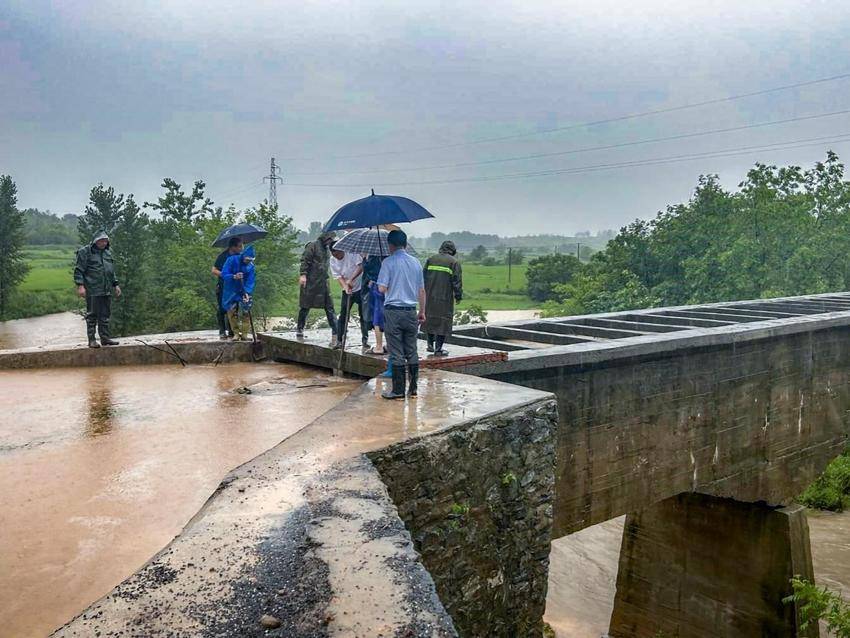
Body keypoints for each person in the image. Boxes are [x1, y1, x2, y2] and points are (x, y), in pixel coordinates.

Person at [376, 229, 426, 399]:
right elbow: (421, 290)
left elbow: (381, 288)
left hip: (393, 312)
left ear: (390, 245)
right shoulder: (416, 263)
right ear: (405, 244)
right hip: (411, 311)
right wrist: (422, 311)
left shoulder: (388, 263)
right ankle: (413, 389)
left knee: (396, 351)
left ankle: (398, 390)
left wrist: (383, 283)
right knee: (412, 350)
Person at [74, 230, 121, 348]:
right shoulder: (85, 252)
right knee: (92, 315)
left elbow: (111, 271)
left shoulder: (107, 253)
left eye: (106, 241)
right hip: (92, 288)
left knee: (105, 314)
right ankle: (91, 340)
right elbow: (79, 270)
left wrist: (116, 284)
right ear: (95, 241)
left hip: (106, 288)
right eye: (101, 241)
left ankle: (105, 338)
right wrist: (80, 286)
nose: (104, 243)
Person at [423, 240, 463, 356]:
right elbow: (457, 282)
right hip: (444, 298)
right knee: (443, 321)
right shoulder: (454, 262)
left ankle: (430, 345)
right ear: (452, 250)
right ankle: (438, 349)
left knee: (429, 318)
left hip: (429, 296)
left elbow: (423, 277)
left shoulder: (431, 259)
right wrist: (458, 296)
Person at [297, 231, 337, 341]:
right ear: (325, 238)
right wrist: (303, 275)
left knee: (329, 306)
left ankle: (336, 329)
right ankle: (300, 328)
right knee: (305, 306)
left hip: (323, 281)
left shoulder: (327, 249)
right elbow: (305, 260)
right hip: (310, 281)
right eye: (329, 239)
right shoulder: (312, 246)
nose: (330, 241)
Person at [330, 246, 369, 349]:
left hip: (360, 287)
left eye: (338, 254)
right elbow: (338, 276)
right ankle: (339, 340)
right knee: (343, 315)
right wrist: (345, 287)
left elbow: (360, 267)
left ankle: (365, 340)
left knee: (363, 315)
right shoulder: (332, 260)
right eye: (334, 255)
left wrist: (351, 279)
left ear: (342, 250)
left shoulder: (352, 254)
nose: (337, 257)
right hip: (348, 289)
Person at [220, 245, 256, 341]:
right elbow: (224, 273)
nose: (248, 262)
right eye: (247, 260)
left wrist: (247, 292)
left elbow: (251, 280)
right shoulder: (231, 260)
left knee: (246, 311)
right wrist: (234, 276)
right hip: (231, 289)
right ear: (243, 256)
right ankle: (236, 333)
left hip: (243, 290)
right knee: (231, 311)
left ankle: (244, 334)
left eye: (250, 260)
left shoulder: (251, 266)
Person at [212, 236, 243, 339]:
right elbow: (214, 270)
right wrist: (226, 275)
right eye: (239, 246)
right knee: (222, 308)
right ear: (232, 247)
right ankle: (222, 330)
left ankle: (232, 331)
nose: (241, 248)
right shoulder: (223, 256)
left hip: (235, 287)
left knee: (234, 309)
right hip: (223, 286)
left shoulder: (240, 257)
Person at [362, 254, 387, 355]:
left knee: (377, 317)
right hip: (390, 289)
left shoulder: (373, 256)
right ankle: (389, 344)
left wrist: (364, 258)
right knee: (388, 316)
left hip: (377, 287)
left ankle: (379, 346)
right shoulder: (389, 257)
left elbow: (369, 269)